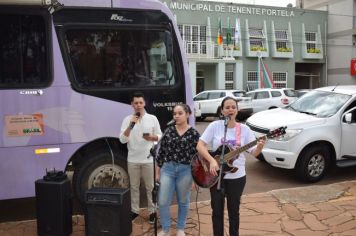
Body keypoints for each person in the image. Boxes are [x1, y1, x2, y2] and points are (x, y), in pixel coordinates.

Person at [196, 96, 265, 236]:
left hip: (237, 177)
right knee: (217, 212)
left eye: (233, 107)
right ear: (222, 111)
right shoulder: (215, 126)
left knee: (234, 212)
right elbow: (200, 145)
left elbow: (254, 153)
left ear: (237, 111)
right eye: (227, 107)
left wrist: (260, 147)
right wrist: (212, 160)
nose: (230, 109)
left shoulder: (244, 130)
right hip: (216, 177)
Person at [155, 104, 200, 236]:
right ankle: (166, 229)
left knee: (183, 201)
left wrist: (195, 179)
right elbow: (161, 153)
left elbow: (197, 158)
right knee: (163, 201)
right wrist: (157, 172)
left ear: (187, 114)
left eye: (180, 113)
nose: (176, 116)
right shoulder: (168, 131)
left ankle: (180, 228)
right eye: (174, 113)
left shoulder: (194, 134)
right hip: (168, 169)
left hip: (185, 170)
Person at [119, 92, 162, 223]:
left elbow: (160, 135)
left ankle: (152, 211)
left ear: (144, 103)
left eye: (140, 103)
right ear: (132, 104)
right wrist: (130, 126)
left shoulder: (152, 118)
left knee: (151, 187)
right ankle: (134, 211)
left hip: (149, 159)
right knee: (134, 187)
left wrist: (152, 138)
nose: (138, 105)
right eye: (136, 103)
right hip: (132, 159)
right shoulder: (127, 120)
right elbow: (122, 140)